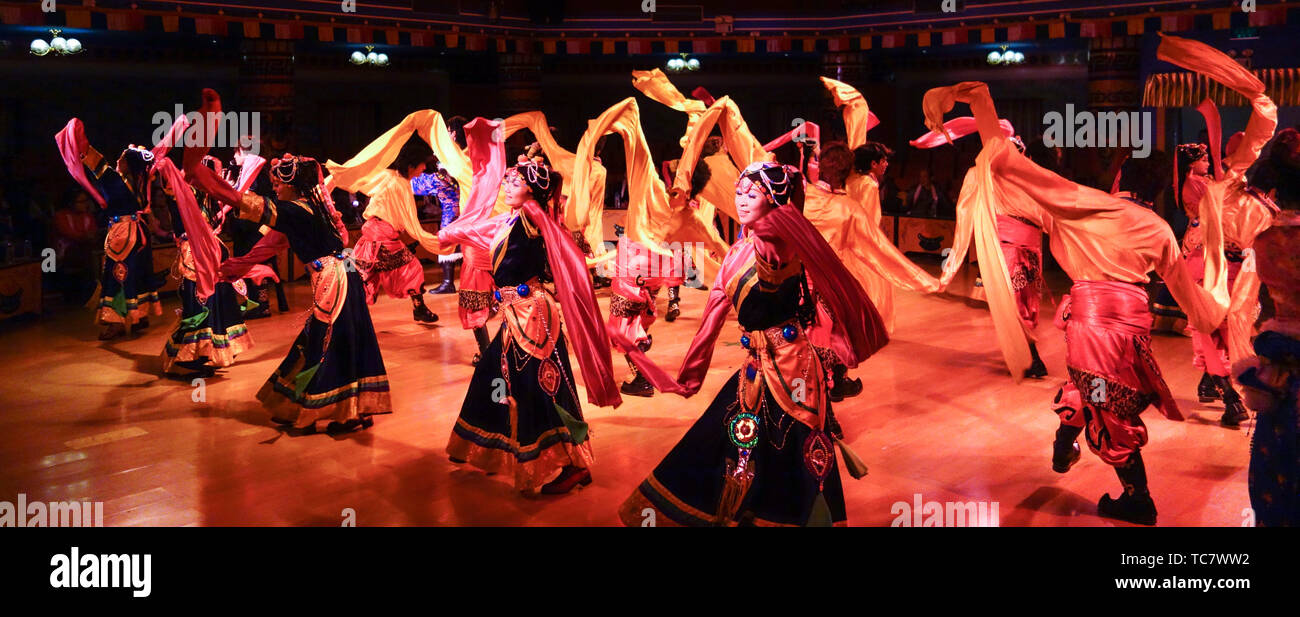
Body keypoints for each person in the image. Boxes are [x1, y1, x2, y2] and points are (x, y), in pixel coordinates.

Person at [925, 62, 1230, 525]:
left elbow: (1008, 161)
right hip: (1131, 323)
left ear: (1119, 179)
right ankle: (1066, 448)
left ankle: (1138, 499)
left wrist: (982, 103)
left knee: (1103, 398)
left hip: (1090, 325)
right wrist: (1219, 310)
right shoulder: (1159, 230)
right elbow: (1191, 301)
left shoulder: (1078, 207)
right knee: (1097, 390)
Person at [617, 162, 886, 526]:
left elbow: (774, 263)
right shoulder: (736, 252)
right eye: (739, 193)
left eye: (752, 194)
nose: (741, 200)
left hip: (793, 368)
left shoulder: (781, 246)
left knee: (789, 450)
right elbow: (711, 319)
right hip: (753, 366)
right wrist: (688, 378)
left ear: (774, 200)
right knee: (724, 439)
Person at [185, 89, 390, 434]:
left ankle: (343, 412)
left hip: (335, 280)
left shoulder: (296, 209)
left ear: (292, 185)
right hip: (341, 276)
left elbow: (239, 201)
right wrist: (242, 263)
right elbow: (276, 241)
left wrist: (201, 175)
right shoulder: (310, 208)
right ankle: (317, 407)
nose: (274, 187)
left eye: (279, 182)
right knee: (324, 340)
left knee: (329, 343)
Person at [438, 118, 621, 495]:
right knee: (493, 376)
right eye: (507, 180)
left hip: (534, 316)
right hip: (514, 315)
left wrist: (537, 207)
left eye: (516, 182)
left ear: (533, 194)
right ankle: (482, 443)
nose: (507, 185)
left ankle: (574, 462)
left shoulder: (535, 220)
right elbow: (476, 233)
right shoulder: (509, 220)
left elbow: (548, 230)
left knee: (545, 388)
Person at [54, 120, 164, 340]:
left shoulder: (114, 179)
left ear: (127, 164)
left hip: (122, 234)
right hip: (140, 232)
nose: (118, 159)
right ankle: (139, 315)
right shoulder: (143, 181)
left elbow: (91, 156)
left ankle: (116, 321)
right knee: (137, 273)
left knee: (117, 275)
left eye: (122, 158)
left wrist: (77, 132)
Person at [159, 156, 254, 377]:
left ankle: (201, 355)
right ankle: (190, 358)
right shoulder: (182, 192)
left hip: (207, 254)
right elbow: (163, 167)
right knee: (200, 305)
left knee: (211, 304)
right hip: (197, 256)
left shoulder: (211, 199)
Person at [344, 135, 440, 324]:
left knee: (366, 274)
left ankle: (351, 313)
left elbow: (364, 182)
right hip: (381, 235)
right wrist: (425, 237)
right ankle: (418, 309)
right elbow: (409, 217)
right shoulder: (400, 183)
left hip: (374, 231)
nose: (423, 169)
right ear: (412, 165)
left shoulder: (388, 176)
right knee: (412, 268)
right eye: (422, 165)